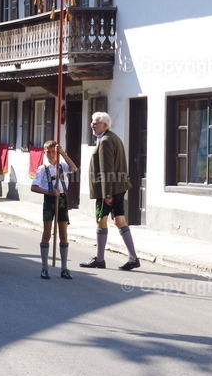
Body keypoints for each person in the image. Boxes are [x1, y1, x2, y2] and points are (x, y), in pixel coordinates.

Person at [81, 111, 140, 271]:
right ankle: (133, 258)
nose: (92, 125)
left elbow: (107, 169)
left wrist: (107, 194)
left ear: (105, 125)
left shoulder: (106, 140)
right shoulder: (111, 137)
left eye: (96, 123)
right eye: (92, 122)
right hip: (118, 187)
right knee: (119, 220)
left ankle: (100, 259)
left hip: (109, 189)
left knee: (101, 220)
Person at [31, 140, 78, 280]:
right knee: (47, 233)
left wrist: (62, 152)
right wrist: (49, 192)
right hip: (50, 200)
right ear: (44, 153)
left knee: (63, 232)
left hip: (62, 200)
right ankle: (44, 268)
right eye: (48, 152)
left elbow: (74, 168)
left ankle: (64, 268)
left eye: (53, 152)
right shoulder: (42, 168)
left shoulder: (62, 166)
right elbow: (34, 187)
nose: (51, 154)